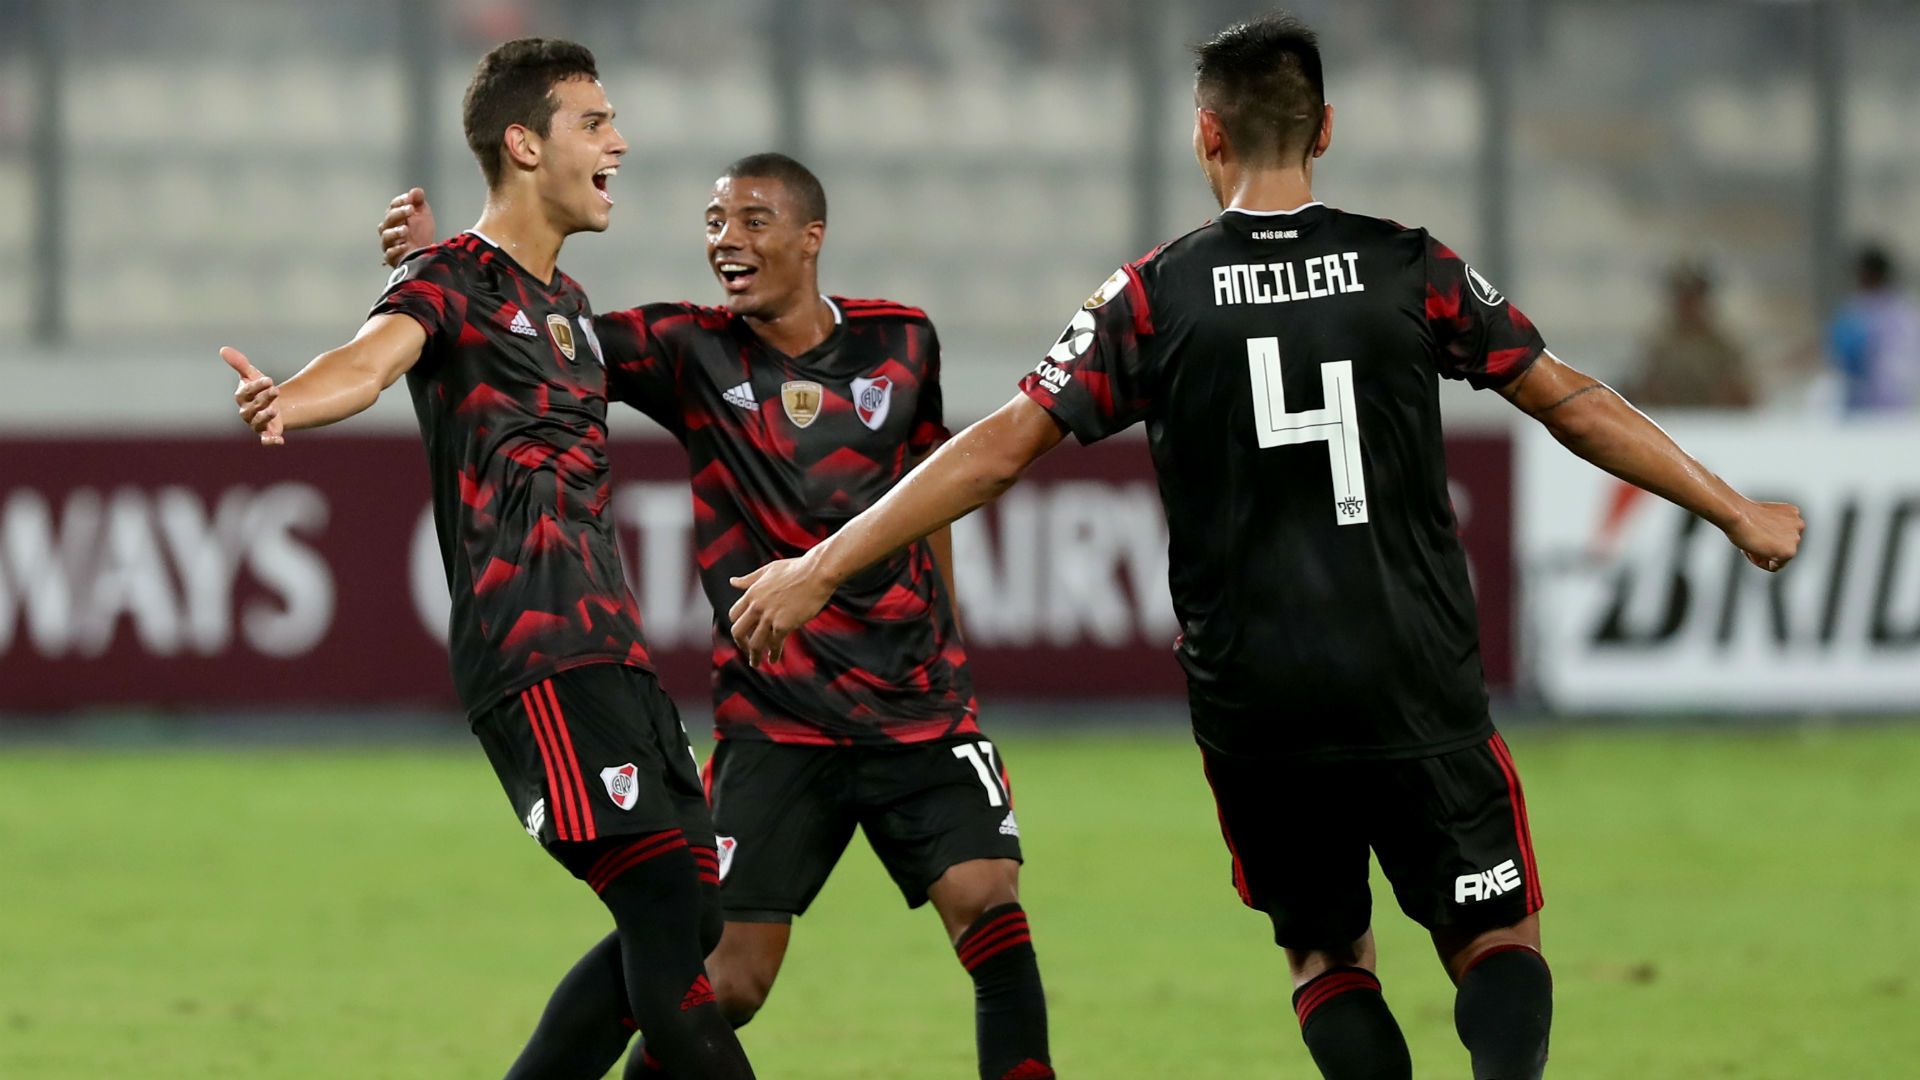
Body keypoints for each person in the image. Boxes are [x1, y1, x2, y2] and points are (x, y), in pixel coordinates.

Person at [727, 14, 1805, 1080]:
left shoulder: (1150, 295)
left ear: (1207, 135)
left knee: (1325, 952)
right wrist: (1735, 509)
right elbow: (1567, 399)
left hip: (1259, 696)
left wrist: (820, 565)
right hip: (1412, 669)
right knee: (1495, 940)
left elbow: (1000, 449)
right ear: (1325, 127)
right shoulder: (1410, 266)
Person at [378, 152, 1053, 1080]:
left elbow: (930, 491)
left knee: (988, 900)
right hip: (774, 718)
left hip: (917, 703)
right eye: (712, 223)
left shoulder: (903, 343)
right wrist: (440, 274)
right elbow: (536, 332)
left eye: (752, 220)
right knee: (723, 977)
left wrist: (955, 647)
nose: (725, 241)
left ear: (811, 238)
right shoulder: (686, 347)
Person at [220, 39, 754, 1080]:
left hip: (616, 653)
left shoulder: (568, 308)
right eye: (594, 123)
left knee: (690, 915)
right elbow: (373, 357)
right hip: (536, 660)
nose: (620, 142)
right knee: (658, 906)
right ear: (524, 143)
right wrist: (294, 395)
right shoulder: (448, 281)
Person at [1626, 261, 1756, 409]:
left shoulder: (1722, 347)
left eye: (1693, 298)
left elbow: (1743, 395)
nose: (1688, 305)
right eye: (1684, 298)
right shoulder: (1659, 346)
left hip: (1715, 425)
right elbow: (1644, 391)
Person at [1827, 244, 1920, 412]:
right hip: (1904, 408)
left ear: (1865, 274)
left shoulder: (1858, 312)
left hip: (1867, 408)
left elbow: (1844, 357)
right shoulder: (1908, 310)